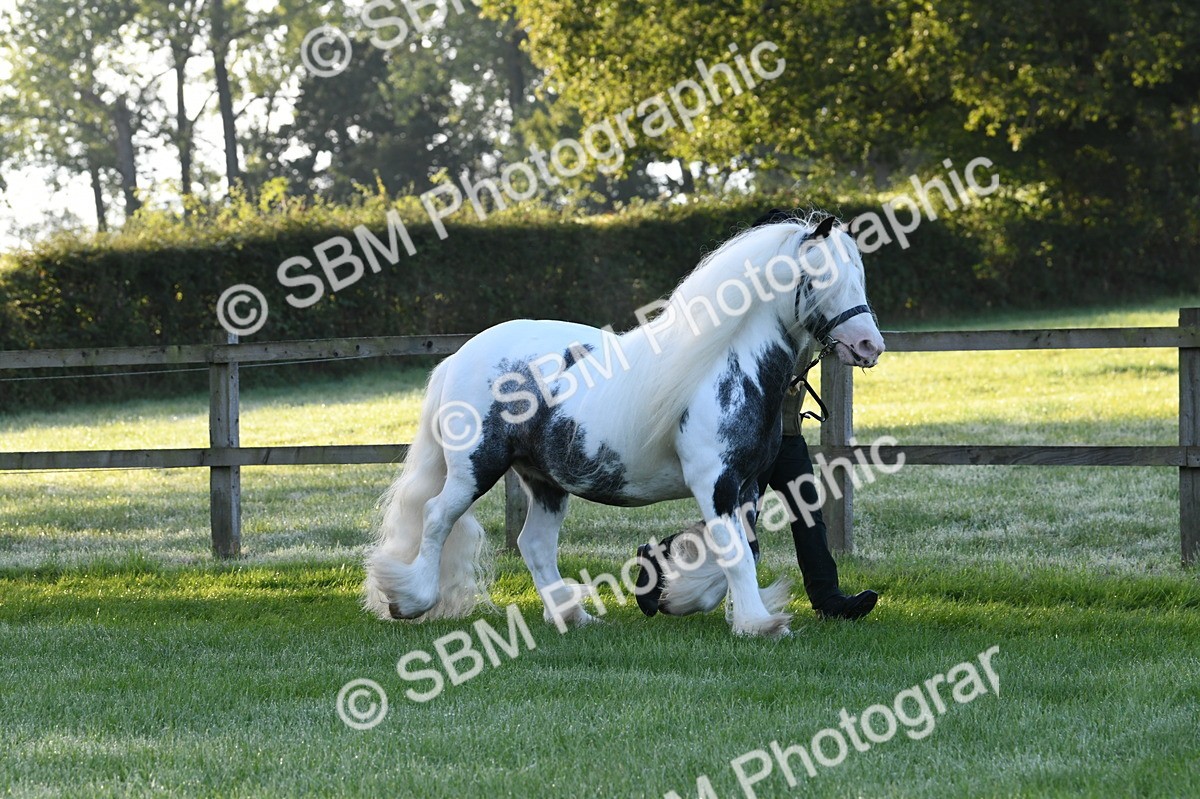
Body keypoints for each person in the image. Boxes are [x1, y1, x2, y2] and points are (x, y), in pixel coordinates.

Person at [634, 210, 878, 621]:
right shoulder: (748, 303)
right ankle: (663, 560)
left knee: (806, 512)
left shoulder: (801, 302)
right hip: (749, 434)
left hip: (785, 431)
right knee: (739, 519)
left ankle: (829, 600)